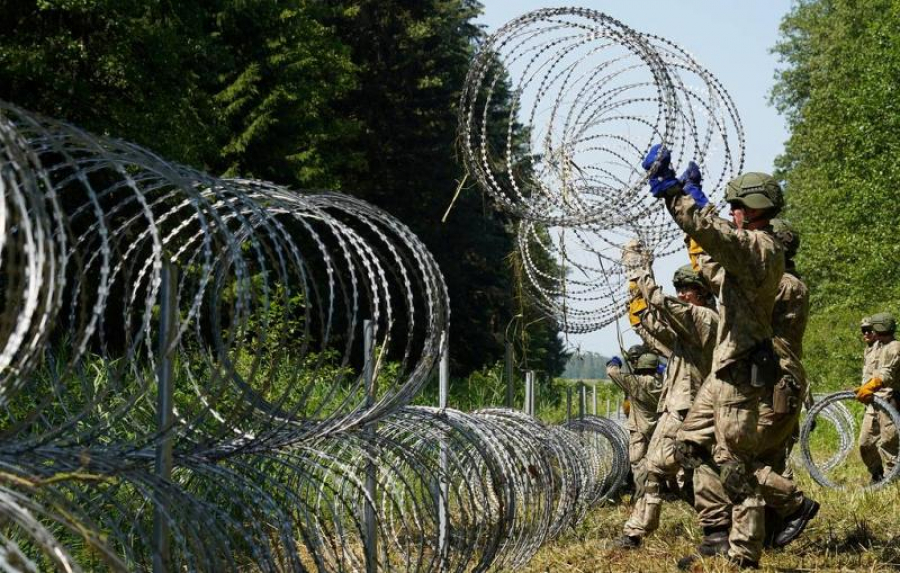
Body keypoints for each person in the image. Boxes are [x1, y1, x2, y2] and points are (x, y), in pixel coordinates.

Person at [644, 145, 785, 568]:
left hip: (740, 373)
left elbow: (716, 236)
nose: (732, 212)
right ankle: (717, 531)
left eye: (735, 206)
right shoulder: (749, 251)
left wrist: (676, 195)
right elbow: (712, 256)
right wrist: (697, 202)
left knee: (734, 463)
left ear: (751, 208)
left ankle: (743, 555)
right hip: (724, 371)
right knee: (689, 444)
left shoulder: (759, 247)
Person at [615, 258, 721, 550]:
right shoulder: (690, 328)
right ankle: (723, 527)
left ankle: (636, 531)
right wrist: (637, 303)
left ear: (703, 292)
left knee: (654, 468)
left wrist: (639, 273)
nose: (683, 294)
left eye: (688, 289)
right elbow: (658, 331)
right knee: (693, 478)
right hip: (686, 407)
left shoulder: (705, 318)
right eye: (680, 289)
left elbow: (664, 305)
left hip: (686, 410)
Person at [606, 350, 664, 500]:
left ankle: (643, 495)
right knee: (656, 462)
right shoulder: (663, 382)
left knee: (638, 463)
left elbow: (612, 372)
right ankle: (658, 489)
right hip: (658, 429)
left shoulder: (636, 382)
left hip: (639, 429)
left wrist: (615, 362)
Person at [856, 312, 900, 483]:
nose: (868, 333)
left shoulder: (895, 347)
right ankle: (877, 475)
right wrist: (862, 388)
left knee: (890, 444)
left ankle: (892, 480)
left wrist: (870, 386)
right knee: (865, 443)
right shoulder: (876, 346)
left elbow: (886, 374)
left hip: (890, 402)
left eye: (871, 329)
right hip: (873, 403)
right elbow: (870, 373)